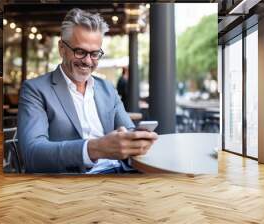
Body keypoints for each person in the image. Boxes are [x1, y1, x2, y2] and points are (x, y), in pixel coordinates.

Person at [17, 8, 158, 174]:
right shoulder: (35, 89)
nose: (88, 61)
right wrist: (95, 148)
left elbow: (127, 130)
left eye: (95, 54)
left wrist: (137, 139)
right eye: (80, 52)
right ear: (62, 48)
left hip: (120, 172)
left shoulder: (107, 88)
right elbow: (32, 155)